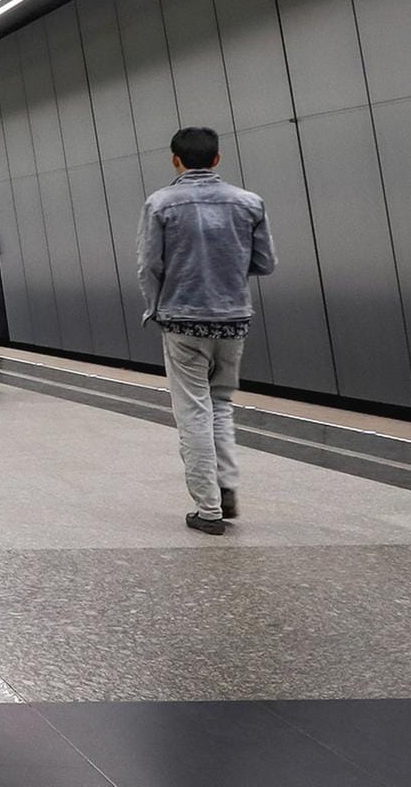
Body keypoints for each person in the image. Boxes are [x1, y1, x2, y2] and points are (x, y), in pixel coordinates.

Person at [136, 126, 275, 536]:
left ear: (175, 160)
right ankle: (226, 485)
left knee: (194, 411)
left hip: (182, 321)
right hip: (233, 321)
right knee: (221, 405)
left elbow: (149, 266)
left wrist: (155, 307)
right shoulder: (249, 202)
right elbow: (265, 263)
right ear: (217, 159)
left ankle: (209, 509)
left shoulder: (160, 203)